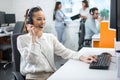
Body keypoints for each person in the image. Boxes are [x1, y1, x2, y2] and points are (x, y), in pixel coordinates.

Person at [17, 6, 97, 80]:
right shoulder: (21, 40)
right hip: (34, 78)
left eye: (44, 19)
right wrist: (33, 38)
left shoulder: (50, 37)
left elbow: (64, 52)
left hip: (51, 75)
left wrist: (82, 57)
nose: (43, 22)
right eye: (39, 19)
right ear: (30, 22)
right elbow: (33, 60)